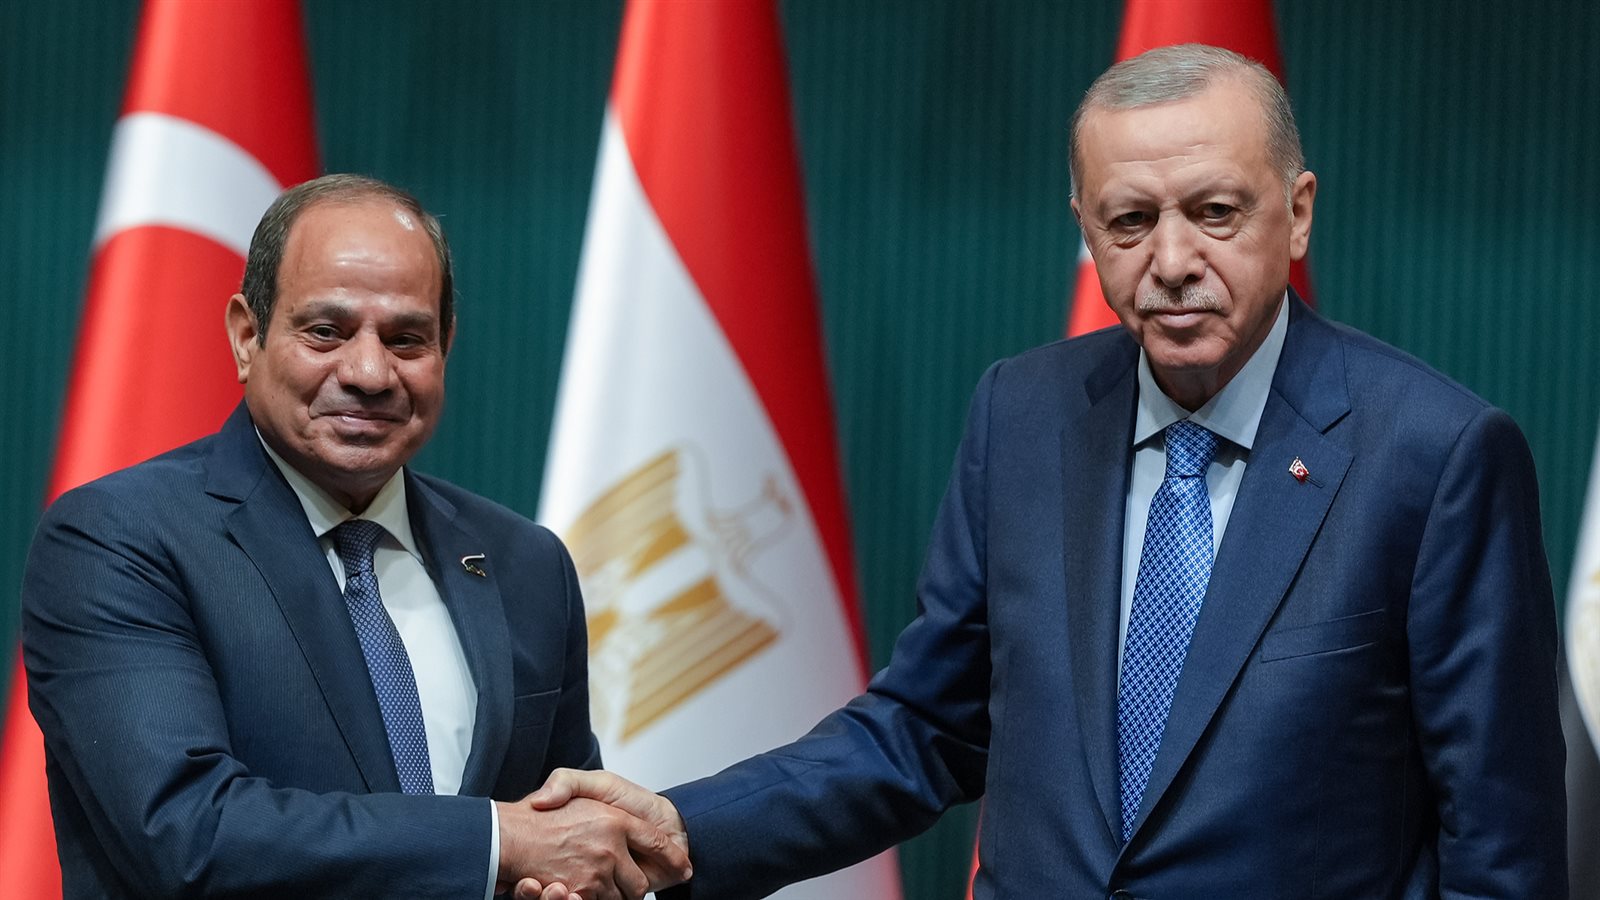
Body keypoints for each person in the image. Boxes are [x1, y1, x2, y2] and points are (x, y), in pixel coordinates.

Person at [524, 44, 1568, 898]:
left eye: (1215, 212)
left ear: (1296, 212)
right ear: (1085, 230)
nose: (1171, 261)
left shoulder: (1435, 455)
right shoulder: (1023, 415)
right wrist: (680, 829)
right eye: (1130, 221)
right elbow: (927, 729)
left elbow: (1498, 840)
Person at [21, 174, 688, 899]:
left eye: (406, 339)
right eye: (326, 332)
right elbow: (188, 835)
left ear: (445, 346)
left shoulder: (526, 564)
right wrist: (498, 842)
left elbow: (567, 835)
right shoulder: (119, 539)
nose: (370, 373)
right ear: (248, 336)